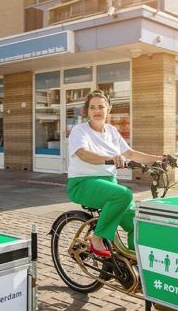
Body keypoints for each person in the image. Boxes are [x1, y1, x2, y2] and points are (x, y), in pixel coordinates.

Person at [67, 90, 163, 258]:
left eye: (101, 107)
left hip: (109, 185)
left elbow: (130, 154)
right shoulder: (79, 130)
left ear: (108, 109)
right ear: (87, 111)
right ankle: (97, 238)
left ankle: (134, 264)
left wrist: (159, 159)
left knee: (137, 222)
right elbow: (83, 154)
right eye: (92, 107)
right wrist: (110, 158)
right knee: (124, 194)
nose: (97, 111)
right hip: (83, 184)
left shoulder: (111, 131)